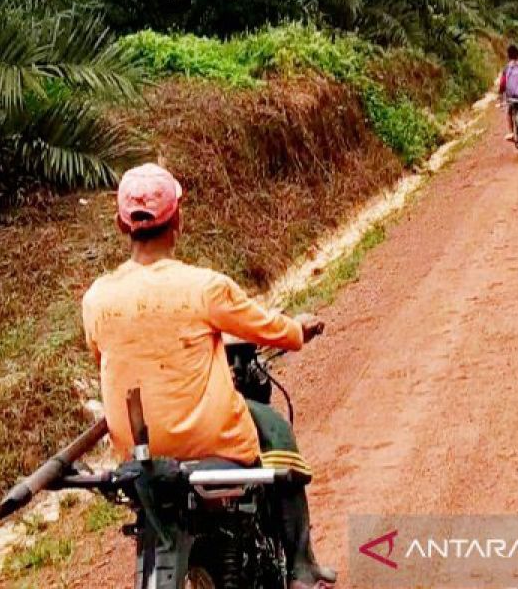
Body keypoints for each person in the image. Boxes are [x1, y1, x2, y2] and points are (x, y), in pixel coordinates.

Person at [82, 163, 336, 589]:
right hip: (210, 441)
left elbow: (103, 357)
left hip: (138, 452)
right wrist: (298, 329)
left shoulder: (96, 299)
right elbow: (267, 327)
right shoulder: (204, 287)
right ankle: (301, 564)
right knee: (274, 428)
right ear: (178, 221)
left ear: (119, 224)